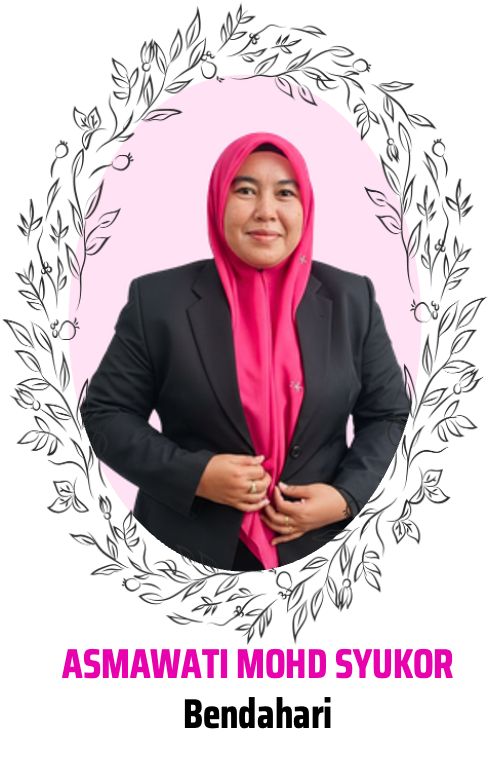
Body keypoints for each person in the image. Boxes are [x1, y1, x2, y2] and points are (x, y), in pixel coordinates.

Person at [81, 132, 410, 572]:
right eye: (245, 190)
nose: (266, 211)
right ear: (219, 201)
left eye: (285, 193)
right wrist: (195, 475)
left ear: (306, 206)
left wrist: (346, 497)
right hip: (184, 547)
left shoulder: (352, 298)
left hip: (323, 546)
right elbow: (104, 416)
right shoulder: (158, 300)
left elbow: (389, 417)